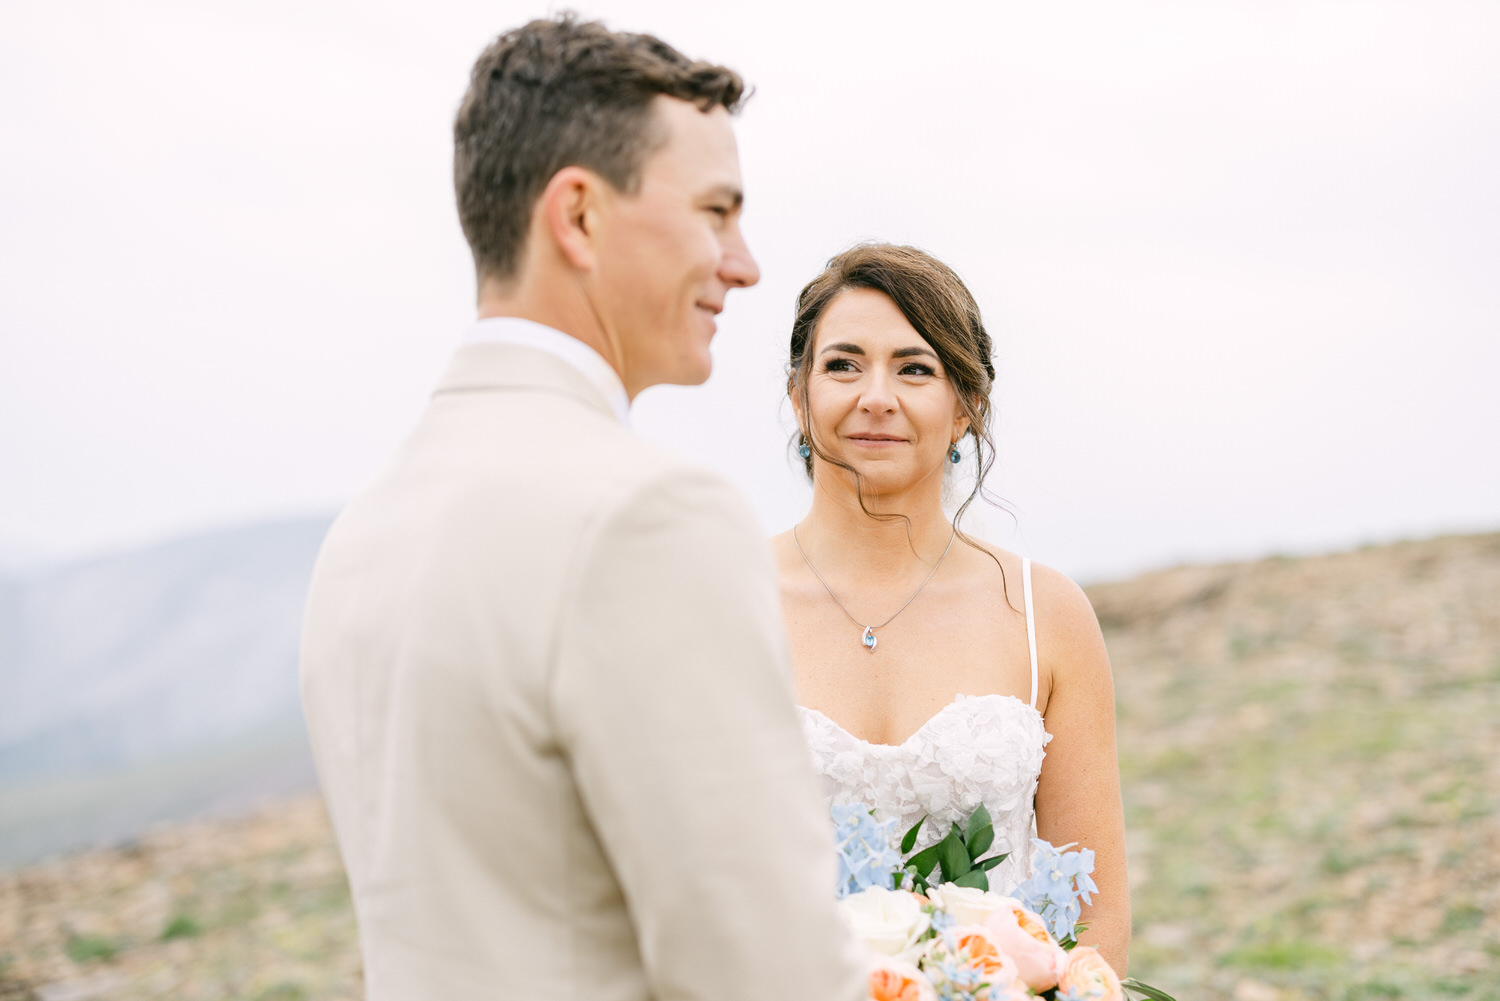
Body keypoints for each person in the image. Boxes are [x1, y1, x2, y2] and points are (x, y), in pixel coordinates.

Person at [299, 17, 864, 1000]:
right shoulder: (649, 516)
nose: (746, 263)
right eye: (716, 211)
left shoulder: (364, 530)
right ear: (580, 217)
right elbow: (766, 969)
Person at [773, 243, 1131, 972]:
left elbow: (1096, 924)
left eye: (915, 368)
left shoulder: (1045, 615)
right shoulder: (718, 601)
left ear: (967, 405)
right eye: (843, 364)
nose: (876, 396)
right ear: (798, 394)